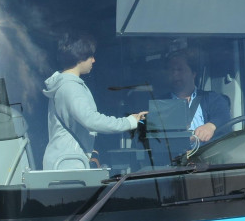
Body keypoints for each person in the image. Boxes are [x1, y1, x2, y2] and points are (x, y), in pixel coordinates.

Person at [43, 34, 146, 170]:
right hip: (70, 165)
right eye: (91, 56)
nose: (93, 60)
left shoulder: (64, 84)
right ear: (80, 57)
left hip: (65, 161)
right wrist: (128, 122)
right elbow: (91, 120)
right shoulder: (71, 87)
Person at [160, 51, 230, 143]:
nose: (175, 74)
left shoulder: (212, 98)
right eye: (171, 70)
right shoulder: (160, 104)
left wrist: (211, 126)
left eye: (180, 70)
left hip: (206, 155)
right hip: (172, 156)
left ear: (193, 73)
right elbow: (157, 139)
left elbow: (223, 115)